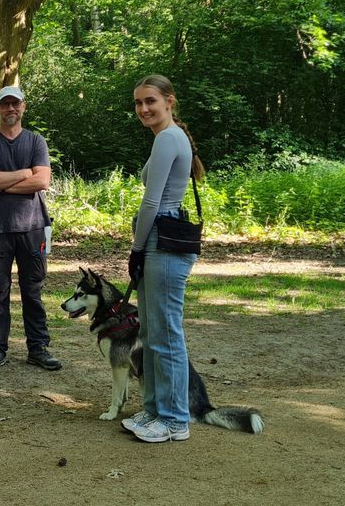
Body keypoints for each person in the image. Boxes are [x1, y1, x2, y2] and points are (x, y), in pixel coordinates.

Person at [123, 74, 205, 443]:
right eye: (139, 103)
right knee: (151, 332)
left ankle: (175, 419)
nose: (143, 109)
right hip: (157, 241)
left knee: (166, 333)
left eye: (150, 101)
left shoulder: (169, 138)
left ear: (169, 101)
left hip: (162, 243)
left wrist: (137, 248)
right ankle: (154, 408)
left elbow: (153, 202)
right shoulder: (169, 138)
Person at [0, 86, 60, 373]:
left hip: (34, 227)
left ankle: (38, 347)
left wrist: (5, 182)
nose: (10, 109)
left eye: (15, 104)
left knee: (33, 290)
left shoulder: (36, 141)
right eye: (5, 104)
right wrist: (25, 173)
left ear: (23, 106)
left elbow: (42, 182)